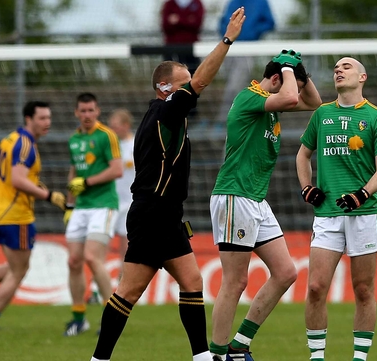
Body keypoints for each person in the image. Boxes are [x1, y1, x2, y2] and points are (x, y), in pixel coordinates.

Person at [89, 8, 245, 361]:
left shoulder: (157, 114)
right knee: (128, 292)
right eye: (183, 80)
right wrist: (227, 40)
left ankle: (201, 357)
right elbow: (202, 82)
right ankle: (99, 359)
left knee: (191, 283)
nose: (191, 83)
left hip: (163, 213)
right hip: (153, 212)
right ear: (165, 87)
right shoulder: (165, 110)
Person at [209, 49, 322, 361]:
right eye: (289, 83)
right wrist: (288, 69)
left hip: (255, 200)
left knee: (286, 272)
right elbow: (288, 98)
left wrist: (300, 70)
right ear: (276, 79)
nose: (294, 92)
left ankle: (239, 343)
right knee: (235, 281)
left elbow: (313, 102)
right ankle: (217, 356)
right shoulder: (250, 97)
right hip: (235, 195)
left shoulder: (270, 104)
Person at [296, 57, 377, 361]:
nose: (339, 70)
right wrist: (306, 187)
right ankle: (317, 358)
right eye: (337, 67)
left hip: (363, 215)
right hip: (327, 215)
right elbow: (302, 156)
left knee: (363, 290)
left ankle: (359, 359)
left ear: (362, 76)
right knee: (314, 287)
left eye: (347, 66)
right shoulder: (322, 114)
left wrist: (361, 194)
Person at [0, 101, 66, 329]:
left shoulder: (9, 139)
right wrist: (47, 195)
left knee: (14, 266)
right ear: (29, 119)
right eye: (42, 118)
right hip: (17, 216)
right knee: (19, 271)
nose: (47, 123)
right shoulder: (26, 146)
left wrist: (31, 183)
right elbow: (17, 180)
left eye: (48, 118)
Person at [63, 92, 123, 336]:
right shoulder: (74, 139)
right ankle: (78, 318)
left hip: (104, 205)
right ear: (76, 113)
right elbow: (74, 172)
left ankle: (112, 319)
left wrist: (86, 183)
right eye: (83, 111)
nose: (87, 115)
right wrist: (69, 205)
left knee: (91, 257)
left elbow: (117, 170)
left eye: (91, 111)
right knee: (73, 261)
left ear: (97, 112)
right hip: (81, 208)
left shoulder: (106, 135)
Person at [216, 0, 275, 126]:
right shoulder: (233, 2)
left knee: (234, 86)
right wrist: (225, 34)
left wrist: (253, 32)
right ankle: (235, 119)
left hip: (247, 49)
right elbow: (223, 20)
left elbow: (270, 22)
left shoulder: (261, 3)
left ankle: (225, 121)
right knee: (232, 85)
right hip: (230, 48)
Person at [108, 108, 136, 274]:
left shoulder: (135, 144)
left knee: (125, 246)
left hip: (129, 202)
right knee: (102, 243)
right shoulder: (110, 146)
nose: (113, 130)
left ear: (126, 125)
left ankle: (122, 284)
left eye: (116, 126)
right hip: (110, 201)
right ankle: (97, 286)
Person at [161, 0, 204, 71]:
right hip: (172, 48)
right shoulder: (169, 4)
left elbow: (197, 24)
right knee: (171, 76)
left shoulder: (197, 3)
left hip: (191, 49)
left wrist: (178, 20)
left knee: (192, 76)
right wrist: (188, 19)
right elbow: (165, 26)